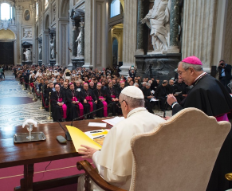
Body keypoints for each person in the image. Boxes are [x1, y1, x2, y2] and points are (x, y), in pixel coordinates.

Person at [78, 86, 165, 190]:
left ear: (125, 104)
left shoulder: (120, 128)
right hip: (157, 182)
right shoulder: (162, 122)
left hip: (129, 187)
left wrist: (95, 154)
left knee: (82, 179)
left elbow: (113, 176)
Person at [166, 56, 232, 191]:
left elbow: (188, 120)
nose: (180, 77)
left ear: (191, 70)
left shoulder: (199, 90)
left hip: (211, 143)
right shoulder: (213, 81)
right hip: (224, 135)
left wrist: (174, 105)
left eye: (180, 73)